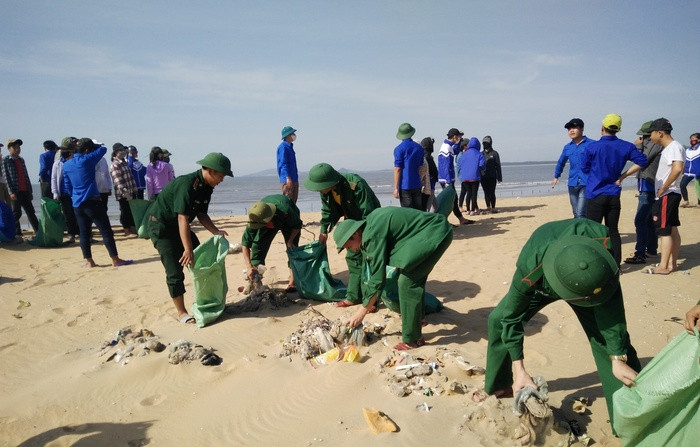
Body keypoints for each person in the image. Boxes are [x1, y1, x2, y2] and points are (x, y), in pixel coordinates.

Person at [478, 218, 640, 433]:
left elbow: (613, 315)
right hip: (545, 277)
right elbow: (511, 318)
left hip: (587, 283)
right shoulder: (531, 264)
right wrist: (521, 371)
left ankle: (630, 418)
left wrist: (618, 357)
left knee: (611, 343)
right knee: (497, 320)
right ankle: (499, 385)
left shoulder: (600, 260)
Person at [333, 207, 453, 350]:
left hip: (435, 233)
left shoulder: (372, 236)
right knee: (411, 276)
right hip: (427, 232)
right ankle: (418, 319)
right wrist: (370, 303)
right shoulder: (368, 228)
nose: (351, 250)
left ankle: (413, 339)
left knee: (408, 283)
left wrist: (361, 312)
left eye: (349, 246)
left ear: (356, 233)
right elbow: (372, 269)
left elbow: (378, 277)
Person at [147, 152, 232, 323]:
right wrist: (187, 249)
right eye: (221, 176)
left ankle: (206, 301)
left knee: (202, 261)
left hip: (179, 226)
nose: (222, 180)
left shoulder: (207, 187)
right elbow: (182, 217)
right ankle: (181, 313)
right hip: (162, 228)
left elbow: (201, 214)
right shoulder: (186, 184)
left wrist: (216, 231)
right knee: (175, 270)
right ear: (210, 170)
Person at [303, 162, 381, 307]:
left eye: (320, 187)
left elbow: (371, 213)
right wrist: (323, 231)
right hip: (350, 225)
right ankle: (354, 297)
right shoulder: (326, 191)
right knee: (352, 258)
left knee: (369, 259)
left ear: (329, 182)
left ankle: (370, 299)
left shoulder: (355, 184)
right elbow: (328, 211)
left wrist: (362, 235)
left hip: (368, 224)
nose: (319, 191)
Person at [583, 113, 648, 265]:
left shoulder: (592, 147)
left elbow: (584, 168)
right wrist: (622, 176)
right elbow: (642, 161)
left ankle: (595, 263)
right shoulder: (626, 146)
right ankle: (616, 265)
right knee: (613, 230)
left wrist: (598, 172)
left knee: (593, 231)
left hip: (595, 193)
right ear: (618, 129)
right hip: (613, 194)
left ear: (602, 127)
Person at [62, 138, 132, 268]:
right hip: (92, 201)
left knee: (84, 233)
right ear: (88, 150)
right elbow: (103, 149)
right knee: (106, 231)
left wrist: (75, 196)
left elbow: (67, 186)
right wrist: (93, 145)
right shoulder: (87, 159)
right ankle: (115, 259)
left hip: (77, 203)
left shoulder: (66, 165)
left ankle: (89, 261)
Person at [621, 121, 664, 265]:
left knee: (640, 220)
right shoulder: (652, 144)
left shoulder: (654, 144)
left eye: (645, 137)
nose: (643, 139)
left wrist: (638, 146)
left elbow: (642, 160)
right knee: (648, 221)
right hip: (647, 186)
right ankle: (651, 250)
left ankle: (640, 254)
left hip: (648, 186)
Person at [647, 118, 685, 275]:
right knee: (672, 229)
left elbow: (677, 168)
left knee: (664, 231)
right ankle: (672, 263)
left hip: (668, 194)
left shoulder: (673, 147)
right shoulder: (672, 148)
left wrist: (664, 187)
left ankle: (663, 266)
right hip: (672, 194)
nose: (650, 137)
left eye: (652, 133)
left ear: (660, 133)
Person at [242, 194, 302, 292]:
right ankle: (257, 281)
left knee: (292, 248)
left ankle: (292, 282)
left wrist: (290, 240)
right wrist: (249, 266)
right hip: (265, 221)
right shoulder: (255, 218)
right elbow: (245, 245)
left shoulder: (286, 210)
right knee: (258, 247)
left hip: (286, 220)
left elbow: (297, 225)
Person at [552, 118, 594, 218]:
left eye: (574, 127)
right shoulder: (567, 147)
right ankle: (582, 231)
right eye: (569, 129)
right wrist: (556, 176)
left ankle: (583, 233)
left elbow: (600, 162)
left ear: (582, 129)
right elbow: (561, 162)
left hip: (587, 182)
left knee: (581, 212)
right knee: (576, 213)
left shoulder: (592, 144)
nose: (571, 130)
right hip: (572, 183)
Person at [2, 139, 39, 236]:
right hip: (15, 190)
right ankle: (14, 232)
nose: (17, 149)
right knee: (16, 213)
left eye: (18, 147)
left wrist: (30, 190)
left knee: (31, 212)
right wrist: (11, 192)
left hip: (25, 190)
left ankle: (38, 231)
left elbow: (26, 176)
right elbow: (6, 177)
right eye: (15, 147)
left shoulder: (21, 160)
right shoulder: (6, 160)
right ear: (9, 148)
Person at [438, 128, 472, 224]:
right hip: (446, 179)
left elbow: (456, 150)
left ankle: (460, 219)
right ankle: (451, 220)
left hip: (446, 178)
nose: (458, 139)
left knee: (453, 199)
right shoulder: (446, 148)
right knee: (450, 200)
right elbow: (445, 165)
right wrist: (448, 181)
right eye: (457, 137)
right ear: (454, 137)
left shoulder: (448, 146)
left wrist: (460, 138)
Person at [50, 138, 79, 243]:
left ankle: (80, 232)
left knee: (78, 214)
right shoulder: (57, 164)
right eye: (62, 150)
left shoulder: (76, 161)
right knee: (68, 214)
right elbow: (53, 178)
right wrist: (55, 192)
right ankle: (71, 234)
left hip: (76, 192)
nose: (64, 152)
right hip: (64, 193)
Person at [393, 123, 424, 210]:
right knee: (418, 210)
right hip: (417, 183)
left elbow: (397, 169)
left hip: (405, 185)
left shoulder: (399, 149)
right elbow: (421, 168)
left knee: (408, 212)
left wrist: (395, 188)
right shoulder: (419, 148)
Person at [110, 143, 138, 236]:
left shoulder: (124, 162)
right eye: (121, 150)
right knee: (125, 211)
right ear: (116, 152)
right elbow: (119, 182)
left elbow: (131, 177)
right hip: (123, 194)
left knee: (131, 211)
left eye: (124, 150)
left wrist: (134, 189)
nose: (123, 152)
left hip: (131, 191)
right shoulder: (115, 165)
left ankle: (132, 228)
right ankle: (127, 230)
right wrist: (126, 193)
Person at [459, 137, 485, 215]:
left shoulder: (464, 154)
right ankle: (473, 210)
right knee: (474, 194)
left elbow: (460, 165)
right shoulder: (479, 154)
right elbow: (482, 165)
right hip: (474, 177)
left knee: (468, 193)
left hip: (464, 178)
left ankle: (468, 210)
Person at [277, 126, 299, 204]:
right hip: (288, 179)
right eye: (292, 133)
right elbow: (283, 164)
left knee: (293, 203)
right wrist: (288, 178)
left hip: (294, 178)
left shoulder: (290, 147)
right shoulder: (283, 147)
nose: (294, 135)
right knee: (287, 202)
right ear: (287, 136)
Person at [480, 136, 503, 213]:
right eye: (484, 143)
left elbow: (498, 166)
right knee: (486, 192)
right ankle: (488, 207)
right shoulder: (481, 154)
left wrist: (499, 177)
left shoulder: (495, 154)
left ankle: (493, 207)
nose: (485, 144)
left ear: (490, 143)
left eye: (486, 143)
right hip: (483, 177)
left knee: (492, 192)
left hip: (492, 177)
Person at [679, 132, 700, 207]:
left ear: (699, 139)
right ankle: (686, 201)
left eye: (694, 138)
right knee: (682, 185)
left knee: (698, 187)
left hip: (698, 171)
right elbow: (685, 161)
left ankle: (699, 202)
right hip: (688, 172)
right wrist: (683, 172)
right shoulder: (688, 150)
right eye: (691, 139)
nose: (692, 140)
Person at [420, 137, 439, 212]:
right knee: (428, 208)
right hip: (429, 186)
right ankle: (428, 222)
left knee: (436, 206)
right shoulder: (427, 157)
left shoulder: (425, 156)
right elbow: (432, 171)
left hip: (429, 186)